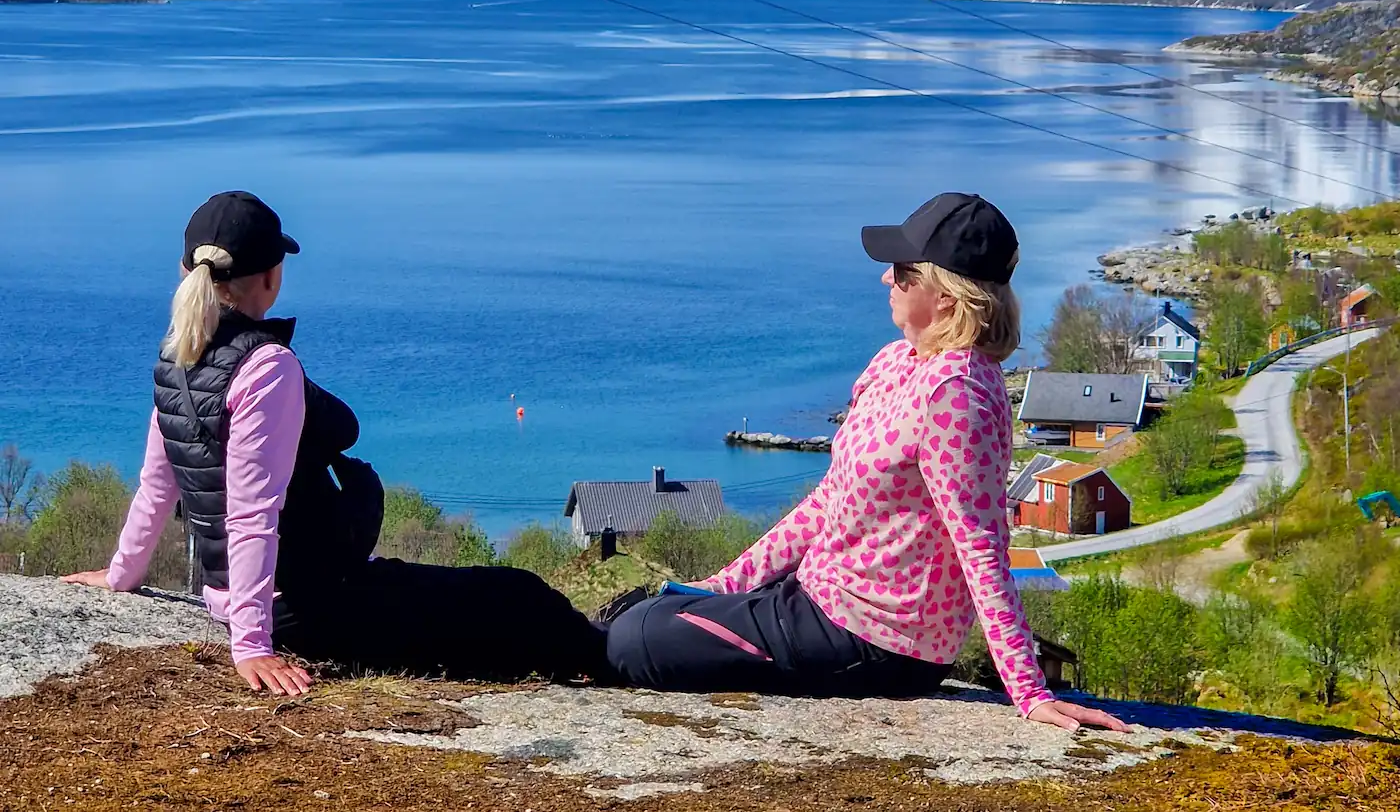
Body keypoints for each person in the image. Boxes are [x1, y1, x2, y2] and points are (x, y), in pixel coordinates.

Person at [605, 193, 1129, 732]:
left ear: (947, 296)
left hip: (883, 641)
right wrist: (725, 584)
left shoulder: (957, 394)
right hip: (821, 601)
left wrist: (1029, 690)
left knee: (637, 637)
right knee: (645, 615)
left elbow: (981, 544)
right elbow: (829, 500)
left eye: (903, 273)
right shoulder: (895, 362)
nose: (886, 281)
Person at [62, 191, 605, 697]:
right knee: (520, 597)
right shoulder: (265, 368)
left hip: (240, 597)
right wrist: (251, 647)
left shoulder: (175, 358)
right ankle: (620, 661)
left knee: (492, 603)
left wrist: (121, 575)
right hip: (311, 608)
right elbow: (254, 513)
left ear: (187, 273)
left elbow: (158, 485)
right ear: (273, 278)